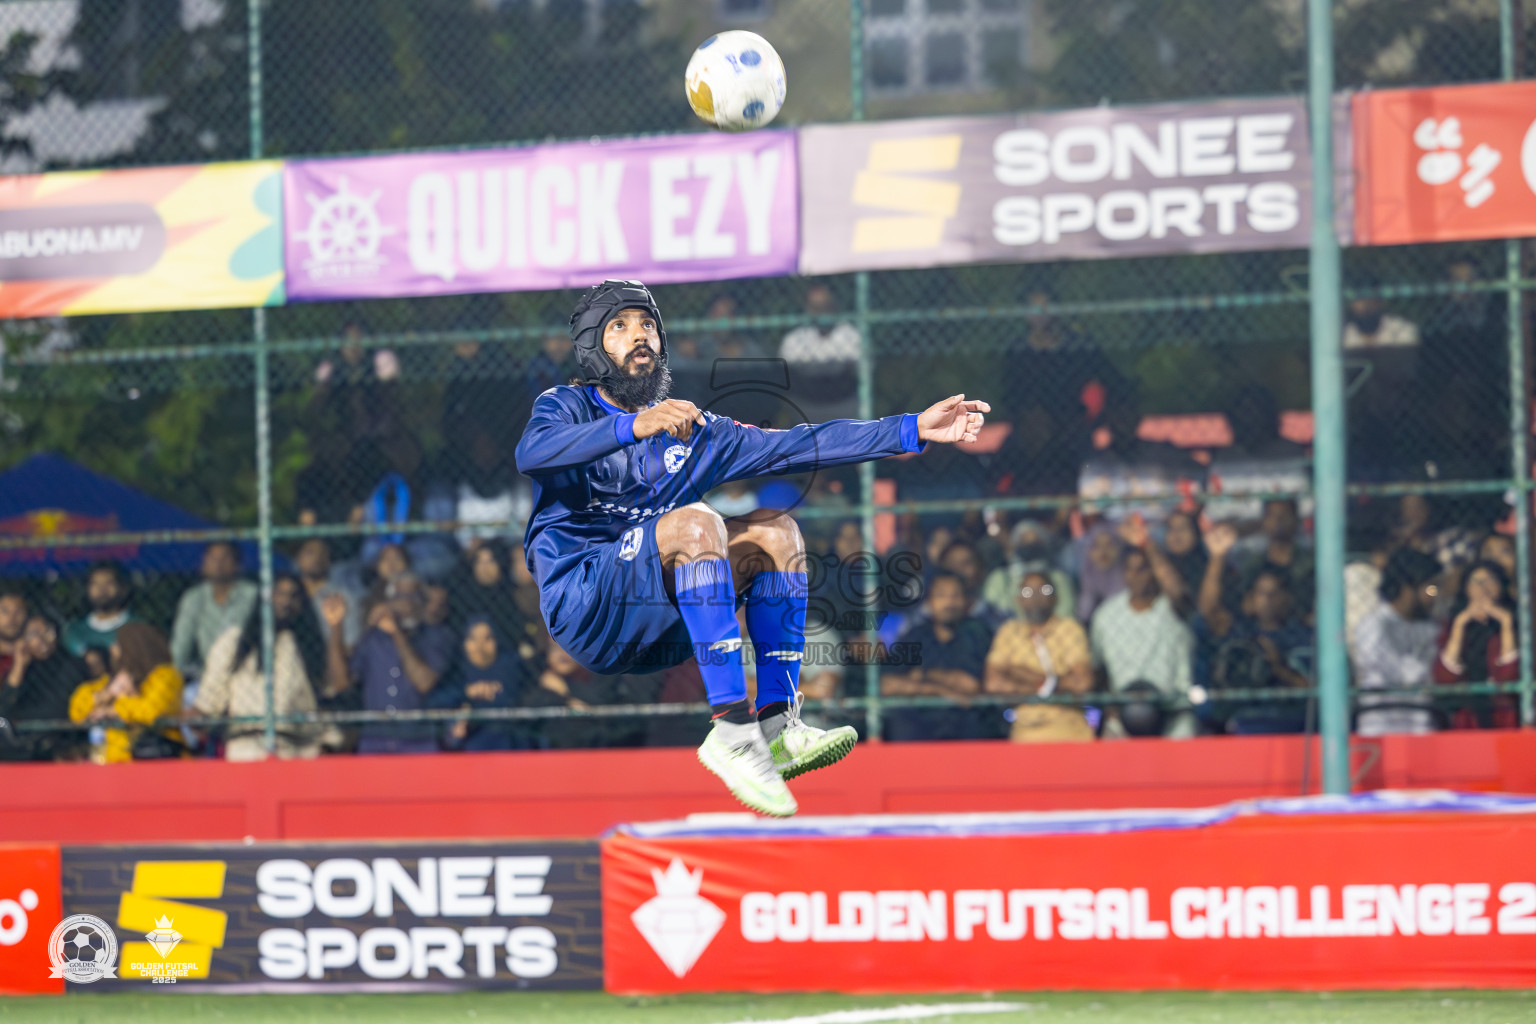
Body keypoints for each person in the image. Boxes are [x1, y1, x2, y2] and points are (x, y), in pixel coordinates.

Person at [516, 279, 989, 816]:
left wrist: (910, 429)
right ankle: (731, 731)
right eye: (619, 326)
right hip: (586, 609)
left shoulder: (696, 431)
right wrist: (632, 426)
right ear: (590, 346)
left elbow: (801, 443)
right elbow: (533, 453)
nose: (639, 335)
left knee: (775, 532)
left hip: (657, 634)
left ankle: (777, 726)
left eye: (647, 323)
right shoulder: (566, 406)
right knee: (695, 522)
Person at [188, 573, 328, 761]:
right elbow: (211, 696)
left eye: (293, 596)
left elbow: (318, 696)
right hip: (245, 745)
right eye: (278, 593)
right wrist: (199, 713)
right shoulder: (235, 641)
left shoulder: (305, 647)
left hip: (294, 749)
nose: (285, 601)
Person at [1196, 529, 1312, 733]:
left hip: (1293, 720)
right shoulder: (1242, 629)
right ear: (1251, 598)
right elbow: (1209, 611)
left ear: (1287, 598)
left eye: (1274, 593)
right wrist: (1218, 558)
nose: (1267, 599)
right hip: (1243, 716)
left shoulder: (1303, 635)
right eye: (1261, 593)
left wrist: (1278, 668)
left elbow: (1317, 691)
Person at [325, 572, 454, 754]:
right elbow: (340, 683)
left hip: (419, 741)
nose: (406, 604)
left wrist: (396, 634)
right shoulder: (374, 638)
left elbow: (424, 683)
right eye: (399, 598)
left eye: (413, 598)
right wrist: (336, 627)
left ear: (423, 604)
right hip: (375, 740)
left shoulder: (436, 636)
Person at [1090, 547, 1196, 738]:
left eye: (1143, 568)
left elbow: (1176, 590)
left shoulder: (1174, 607)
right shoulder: (1106, 615)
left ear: (1155, 572)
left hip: (1173, 712)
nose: (1136, 575)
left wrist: (1147, 543)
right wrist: (1110, 706)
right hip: (1125, 714)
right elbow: (1098, 668)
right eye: (1130, 569)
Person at [881, 572, 994, 742]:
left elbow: (971, 686)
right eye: (941, 595)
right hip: (920, 730)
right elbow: (886, 685)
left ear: (967, 602)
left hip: (966, 729)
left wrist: (924, 676)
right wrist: (942, 690)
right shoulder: (915, 636)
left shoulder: (977, 633)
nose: (949, 603)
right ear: (929, 603)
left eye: (955, 595)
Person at [984, 571, 1094, 742]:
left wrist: (1023, 676)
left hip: (1070, 731)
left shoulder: (1070, 629)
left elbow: (1082, 683)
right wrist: (1053, 685)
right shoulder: (1008, 632)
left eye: (1044, 590)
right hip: (1025, 734)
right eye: (1027, 591)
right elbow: (994, 684)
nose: (1036, 596)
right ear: (1018, 599)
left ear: (1056, 598)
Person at [1352, 548, 1443, 736]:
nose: (1435, 596)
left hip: (1422, 726)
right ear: (1408, 588)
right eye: (1431, 588)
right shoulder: (1374, 624)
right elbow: (1407, 675)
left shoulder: (1431, 627)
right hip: (1380, 727)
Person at [67, 622, 184, 764]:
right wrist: (108, 693)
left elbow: (152, 710)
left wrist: (115, 709)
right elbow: (76, 712)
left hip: (160, 759)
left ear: (134, 647)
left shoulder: (165, 676)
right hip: (114, 762)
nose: (112, 649)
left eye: (118, 643)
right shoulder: (110, 681)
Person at [1433, 560, 1520, 729]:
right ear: (1466, 589)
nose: (1483, 588)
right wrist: (1459, 625)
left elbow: (1509, 678)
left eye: (1490, 580)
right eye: (1476, 582)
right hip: (1467, 717)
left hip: (1508, 715)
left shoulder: (1518, 624)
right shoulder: (1453, 625)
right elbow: (1444, 678)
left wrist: (1506, 624)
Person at [0, 615, 90, 761]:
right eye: (33, 634)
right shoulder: (22, 670)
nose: (42, 639)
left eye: (48, 631)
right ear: (23, 640)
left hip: (60, 740)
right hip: (22, 743)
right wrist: (19, 666)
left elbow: (58, 709)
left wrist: (22, 716)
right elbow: (4, 710)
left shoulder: (72, 664)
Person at [430, 616, 522, 751]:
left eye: (487, 638)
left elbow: (517, 700)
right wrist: (466, 693)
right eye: (473, 638)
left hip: (506, 744)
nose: (480, 646)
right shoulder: (456, 670)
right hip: (467, 746)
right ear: (464, 643)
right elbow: (433, 702)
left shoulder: (510, 667)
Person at [170, 542, 258, 682]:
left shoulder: (252, 594)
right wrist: (172, 677)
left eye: (225, 558)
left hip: (245, 671)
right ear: (203, 564)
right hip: (207, 673)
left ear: (237, 564)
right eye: (213, 558)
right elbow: (181, 645)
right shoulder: (193, 597)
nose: (218, 564)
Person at [778, 283, 861, 422]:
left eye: (826, 306)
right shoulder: (794, 339)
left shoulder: (851, 335)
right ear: (807, 308)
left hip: (844, 406)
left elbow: (858, 372)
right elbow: (788, 376)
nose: (822, 312)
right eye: (816, 307)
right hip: (805, 407)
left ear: (835, 305)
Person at [295, 538, 362, 649]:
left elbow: (351, 643)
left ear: (329, 561)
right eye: (310, 552)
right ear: (297, 559)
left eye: (323, 554)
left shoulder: (342, 597)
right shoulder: (289, 595)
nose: (317, 559)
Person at [62, 562, 135, 658]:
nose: (102, 589)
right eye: (95, 584)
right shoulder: (75, 632)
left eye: (108, 583)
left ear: (122, 588)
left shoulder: (138, 627)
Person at [0, 589, 28, 681]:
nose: (11, 618)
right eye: (5, 611)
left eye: (18, 612)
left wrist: (19, 664)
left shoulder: (23, 656)